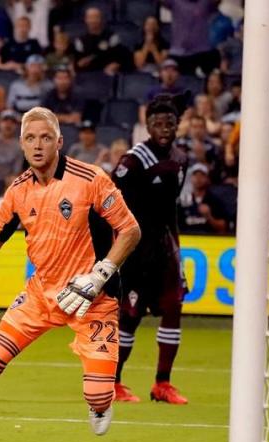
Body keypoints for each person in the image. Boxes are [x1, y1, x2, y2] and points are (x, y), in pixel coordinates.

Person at [0, 106, 141, 442]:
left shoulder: (90, 178)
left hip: (92, 298)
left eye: (46, 137)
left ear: (60, 141)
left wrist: (98, 275)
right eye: (30, 138)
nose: (38, 145)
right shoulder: (17, 192)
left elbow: (131, 230)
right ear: (21, 145)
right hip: (39, 296)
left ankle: (99, 400)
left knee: (97, 395)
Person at [111, 94, 190, 405]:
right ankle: (113, 382)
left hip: (165, 248)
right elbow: (112, 207)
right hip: (136, 251)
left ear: (177, 125)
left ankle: (162, 384)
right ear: (147, 126)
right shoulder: (132, 162)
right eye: (158, 123)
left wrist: (176, 247)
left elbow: (170, 208)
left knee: (173, 308)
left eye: (169, 123)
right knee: (130, 316)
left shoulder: (181, 159)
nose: (164, 128)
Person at [178, 163, 226, 234]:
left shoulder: (214, 200)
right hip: (186, 241)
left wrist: (209, 217)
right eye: (195, 175)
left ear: (207, 178)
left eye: (202, 175)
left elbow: (223, 227)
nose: (198, 178)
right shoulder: (183, 200)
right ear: (191, 178)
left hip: (209, 240)